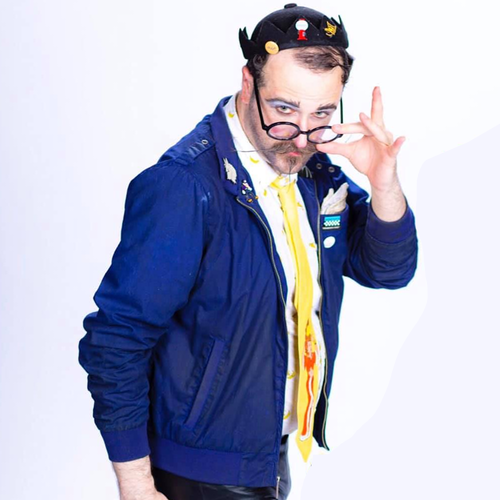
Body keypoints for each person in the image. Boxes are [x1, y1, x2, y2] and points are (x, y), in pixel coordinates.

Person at [79, 4, 418, 499]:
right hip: (201, 472)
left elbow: (387, 270)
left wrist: (384, 183)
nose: (300, 135)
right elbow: (116, 338)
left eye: (322, 114)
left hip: (273, 455)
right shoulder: (185, 187)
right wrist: (135, 482)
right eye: (283, 110)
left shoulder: (315, 171)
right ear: (247, 83)